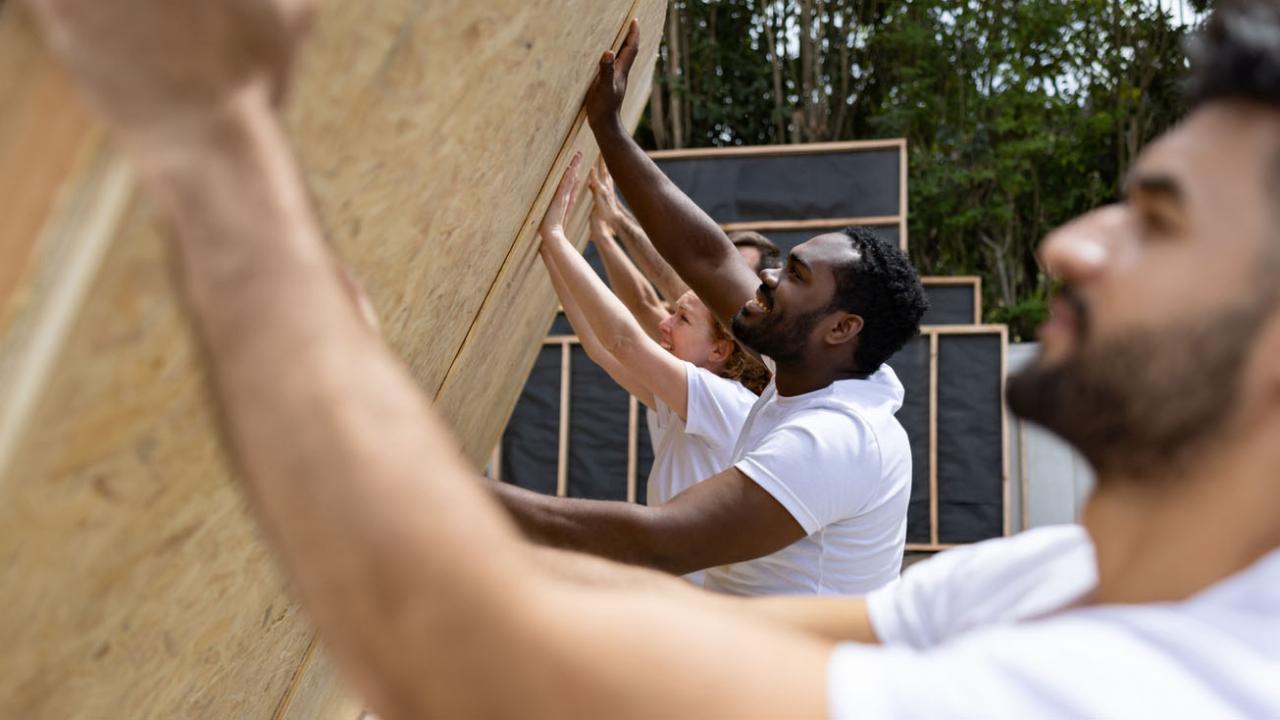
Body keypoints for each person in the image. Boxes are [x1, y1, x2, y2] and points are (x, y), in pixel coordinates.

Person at [30, 0, 1280, 717]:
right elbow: (695, 287)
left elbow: (531, 608)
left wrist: (210, 128)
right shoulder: (1055, 576)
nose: (1069, 241)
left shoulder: (1158, 690)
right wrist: (611, 152)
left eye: (1157, 221)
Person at [492, 20, 929, 596]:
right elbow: (705, 254)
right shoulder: (810, 367)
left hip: (781, 684)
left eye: (794, 275)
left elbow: (658, 544)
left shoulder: (835, 440)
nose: (767, 277)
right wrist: (608, 127)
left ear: (841, 327)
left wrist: (427, 481)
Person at [532, 152, 769, 585]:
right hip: (680, 584)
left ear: (720, 351)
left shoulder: (722, 399)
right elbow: (603, 350)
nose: (665, 322)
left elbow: (625, 339)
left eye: (682, 319)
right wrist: (553, 250)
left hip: (695, 594)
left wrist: (559, 237)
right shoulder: (695, 396)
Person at [585, 157, 781, 344]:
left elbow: (668, 282)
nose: (725, 279)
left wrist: (616, 220)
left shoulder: (746, 339)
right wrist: (605, 231)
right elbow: (643, 307)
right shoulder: (709, 337)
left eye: (739, 274)